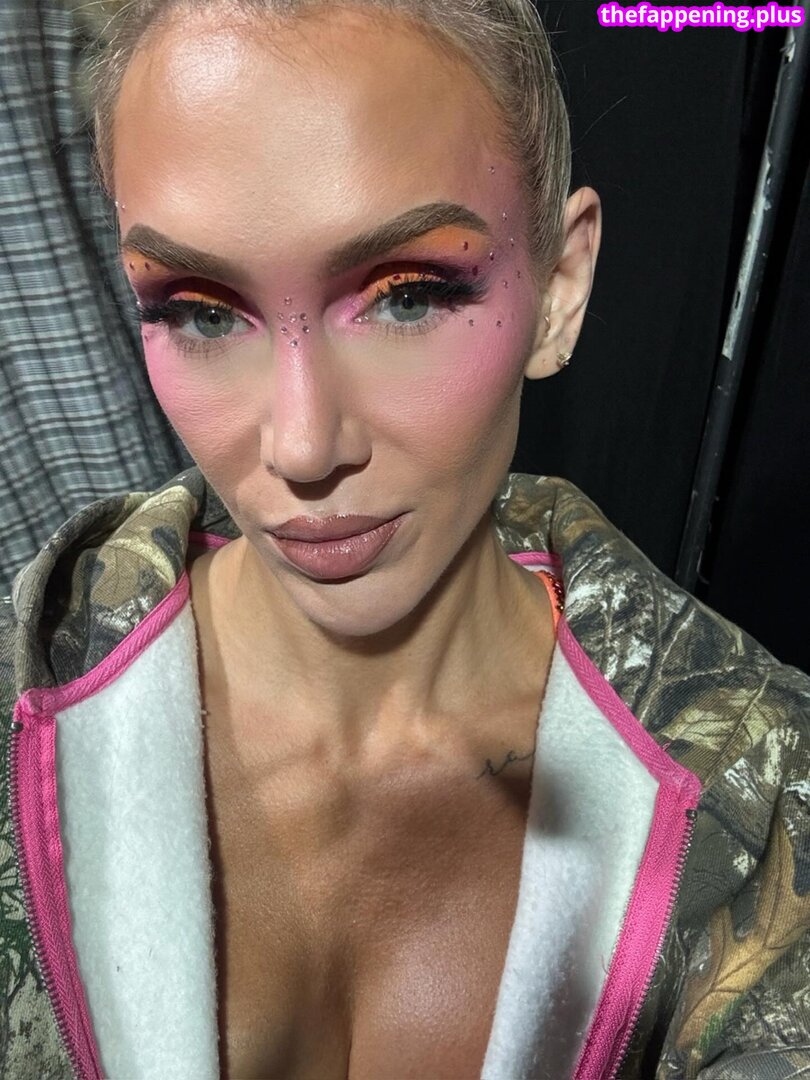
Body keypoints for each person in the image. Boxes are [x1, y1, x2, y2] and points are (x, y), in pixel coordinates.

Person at [0, 1, 808, 1077]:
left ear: (559, 290)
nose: (301, 445)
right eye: (202, 311)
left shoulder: (769, 803)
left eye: (408, 297)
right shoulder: (26, 697)